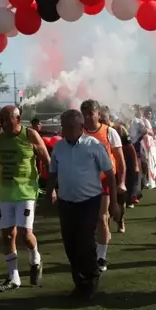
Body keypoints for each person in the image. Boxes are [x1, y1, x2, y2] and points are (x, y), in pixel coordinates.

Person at [46, 110, 120, 300]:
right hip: (66, 202)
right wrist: (49, 193)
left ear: (80, 127)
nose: (66, 130)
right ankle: (80, 284)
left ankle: (90, 282)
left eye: (70, 126)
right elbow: (53, 173)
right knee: (70, 244)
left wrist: (114, 203)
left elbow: (110, 175)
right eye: (64, 126)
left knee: (85, 243)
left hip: (90, 201)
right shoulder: (59, 147)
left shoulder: (94, 146)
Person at [0, 105, 51, 291]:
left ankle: (35, 259)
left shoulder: (30, 134)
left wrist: (52, 188)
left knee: (25, 234)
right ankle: (13, 277)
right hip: (5, 192)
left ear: (17, 119)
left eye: (6, 119)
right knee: (8, 235)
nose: (4, 123)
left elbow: (47, 159)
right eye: (1, 119)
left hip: (26, 191)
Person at [80, 99, 126, 272]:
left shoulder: (109, 132)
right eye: (84, 114)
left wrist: (121, 182)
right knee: (85, 220)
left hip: (105, 180)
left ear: (98, 114)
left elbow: (120, 161)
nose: (87, 117)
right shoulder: (79, 132)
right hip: (84, 181)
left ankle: (101, 258)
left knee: (102, 217)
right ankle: (93, 249)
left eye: (90, 113)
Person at [100, 106, 138, 228]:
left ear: (108, 117)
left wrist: (135, 165)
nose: (101, 121)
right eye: (100, 118)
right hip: (103, 172)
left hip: (119, 169)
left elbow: (130, 148)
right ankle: (106, 224)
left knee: (120, 198)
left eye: (104, 118)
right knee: (105, 200)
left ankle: (121, 220)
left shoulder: (118, 129)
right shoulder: (95, 131)